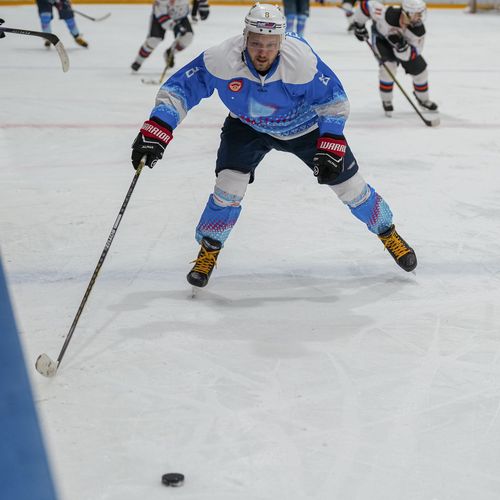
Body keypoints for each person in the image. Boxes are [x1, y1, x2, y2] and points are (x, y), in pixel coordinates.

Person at [130, 2, 417, 288]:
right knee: (228, 188)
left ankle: (387, 232)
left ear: (281, 41)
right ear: (245, 37)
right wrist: (157, 128)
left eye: (270, 44)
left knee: (351, 188)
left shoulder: (301, 61)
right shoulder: (221, 58)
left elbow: (334, 101)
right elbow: (180, 89)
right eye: (256, 43)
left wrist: (330, 141)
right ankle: (209, 249)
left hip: (305, 129)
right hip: (248, 127)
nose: (263, 52)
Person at [352, 0, 438, 116]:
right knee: (388, 68)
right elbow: (365, 5)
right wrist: (359, 25)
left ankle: (423, 99)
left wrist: (401, 48)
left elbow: (414, 53)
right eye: (416, 14)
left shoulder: (418, 31)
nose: (419, 17)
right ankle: (387, 100)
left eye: (420, 14)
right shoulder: (386, 14)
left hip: (405, 49)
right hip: (382, 41)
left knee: (421, 71)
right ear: (406, 13)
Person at [130, 0, 209, 73]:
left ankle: (170, 53)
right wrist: (174, 26)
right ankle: (138, 61)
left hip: (181, 17)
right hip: (160, 17)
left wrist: (203, 7)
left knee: (188, 37)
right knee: (154, 40)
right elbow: (161, 16)